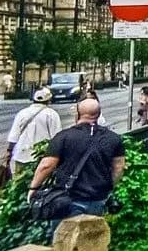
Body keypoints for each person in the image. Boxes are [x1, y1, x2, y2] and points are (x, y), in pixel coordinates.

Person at [26, 98, 126, 230]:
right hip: (98, 199)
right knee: (91, 239)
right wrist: (108, 186)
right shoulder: (113, 138)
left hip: (67, 200)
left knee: (64, 240)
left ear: (77, 114)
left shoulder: (63, 137)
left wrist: (33, 189)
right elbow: (119, 167)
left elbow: (46, 165)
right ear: (99, 114)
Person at [4, 89, 61, 177]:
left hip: (21, 155)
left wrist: (9, 151)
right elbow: (57, 137)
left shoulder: (22, 113)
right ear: (49, 100)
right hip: (42, 157)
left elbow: (14, 136)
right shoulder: (52, 114)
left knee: (19, 183)